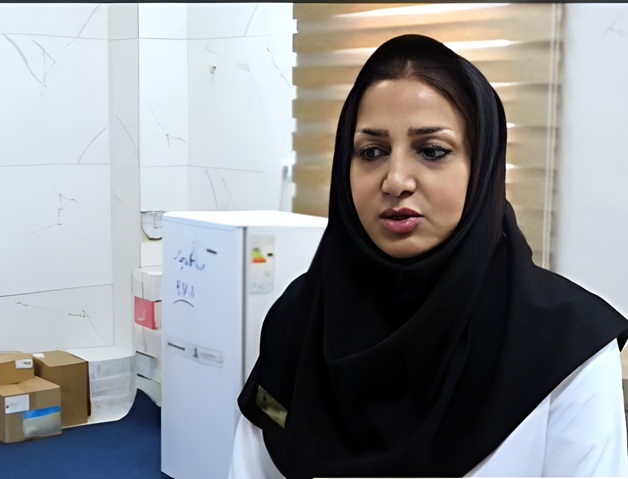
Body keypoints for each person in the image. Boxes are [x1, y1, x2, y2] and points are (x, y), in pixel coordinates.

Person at [228, 34, 628, 478]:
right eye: (372, 152)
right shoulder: (299, 319)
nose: (395, 180)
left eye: (432, 151)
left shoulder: (566, 345)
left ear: (482, 167)